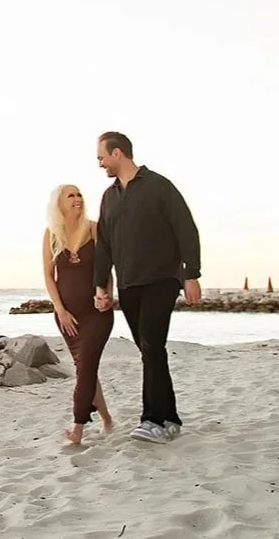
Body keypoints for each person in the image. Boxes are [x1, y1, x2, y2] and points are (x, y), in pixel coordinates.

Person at [91, 131, 202, 445]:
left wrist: (191, 274)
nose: (99, 163)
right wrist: (101, 285)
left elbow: (185, 229)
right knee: (150, 351)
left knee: (152, 347)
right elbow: (105, 246)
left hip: (161, 280)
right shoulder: (109, 196)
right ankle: (170, 417)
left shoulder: (159, 187)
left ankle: (152, 419)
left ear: (117, 154)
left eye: (101, 157)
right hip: (128, 284)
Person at [41, 183, 114, 446]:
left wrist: (107, 295)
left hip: (96, 313)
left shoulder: (94, 228)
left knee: (85, 368)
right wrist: (60, 310)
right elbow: (49, 276)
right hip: (67, 316)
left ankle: (78, 426)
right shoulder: (51, 234)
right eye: (70, 195)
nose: (77, 198)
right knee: (86, 369)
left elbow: (107, 268)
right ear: (59, 203)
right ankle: (106, 417)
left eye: (79, 194)